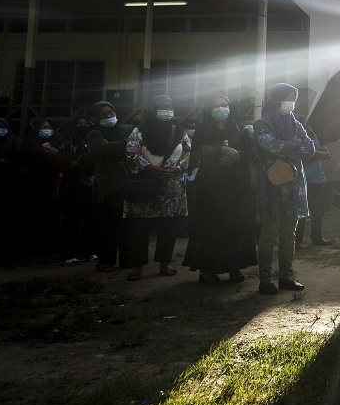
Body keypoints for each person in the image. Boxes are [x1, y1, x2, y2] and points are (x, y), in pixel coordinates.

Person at [183, 94, 257, 285]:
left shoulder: (240, 128)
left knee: (235, 226)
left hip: (236, 187)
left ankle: (234, 267)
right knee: (211, 227)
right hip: (211, 188)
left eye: (224, 104)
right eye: (216, 106)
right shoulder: (202, 129)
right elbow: (197, 151)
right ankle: (208, 269)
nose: (220, 108)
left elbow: (253, 152)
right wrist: (221, 150)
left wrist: (237, 155)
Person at [253, 83, 315, 295]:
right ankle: (265, 279)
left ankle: (286, 276)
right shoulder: (262, 124)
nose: (291, 103)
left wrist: (286, 147)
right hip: (273, 185)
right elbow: (269, 145)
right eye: (287, 98)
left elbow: (310, 148)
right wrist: (293, 146)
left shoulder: (294, 122)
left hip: (294, 185)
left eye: (293, 98)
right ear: (276, 98)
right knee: (269, 234)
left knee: (289, 234)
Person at [124, 94, 191, 281]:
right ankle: (136, 266)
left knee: (169, 227)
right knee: (139, 228)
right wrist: (151, 169)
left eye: (170, 107)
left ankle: (164, 263)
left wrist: (178, 168)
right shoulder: (140, 130)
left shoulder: (180, 131)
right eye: (163, 106)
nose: (168, 110)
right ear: (152, 109)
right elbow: (131, 152)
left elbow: (188, 153)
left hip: (171, 188)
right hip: (145, 185)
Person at [87, 101, 132, 272]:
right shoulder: (94, 134)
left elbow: (136, 147)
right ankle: (106, 260)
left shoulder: (124, 129)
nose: (108, 116)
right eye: (103, 114)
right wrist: (125, 144)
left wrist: (114, 146)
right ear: (97, 118)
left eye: (110, 112)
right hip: (109, 186)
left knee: (126, 225)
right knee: (108, 226)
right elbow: (100, 150)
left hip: (127, 183)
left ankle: (127, 259)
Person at [57, 115, 96, 265]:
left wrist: (78, 163)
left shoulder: (94, 144)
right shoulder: (67, 145)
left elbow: (96, 162)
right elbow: (64, 164)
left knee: (91, 221)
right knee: (70, 220)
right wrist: (84, 163)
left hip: (90, 187)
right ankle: (68, 254)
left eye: (86, 123)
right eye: (79, 123)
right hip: (72, 188)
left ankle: (90, 251)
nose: (83, 125)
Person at [295, 116, 332, 250]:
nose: (305, 124)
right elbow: (304, 155)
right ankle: (297, 240)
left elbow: (320, 149)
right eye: (302, 122)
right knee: (303, 212)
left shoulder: (312, 134)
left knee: (318, 210)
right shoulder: (296, 136)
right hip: (305, 179)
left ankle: (316, 237)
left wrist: (322, 152)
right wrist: (321, 155)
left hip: (318, 178)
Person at [23, 118, 62, 239]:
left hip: (51, 185)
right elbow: (35, 154)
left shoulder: (55, 142)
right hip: (34, 184)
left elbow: (60, 156)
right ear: (35, 129)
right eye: (44, 128)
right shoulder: (29, 142)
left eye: (49, 128)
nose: (48, 130)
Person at [0, 118, 22, 256]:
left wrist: (9, 164)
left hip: (9, 184)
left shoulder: (14, 142)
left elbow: (20, 160)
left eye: (2, 126)